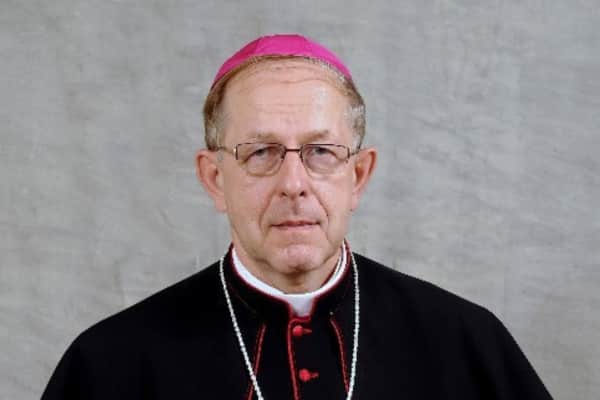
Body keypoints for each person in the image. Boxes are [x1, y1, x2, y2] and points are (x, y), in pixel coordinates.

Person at [41, 34, 553, 399]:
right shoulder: (112, 363)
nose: (293, 184)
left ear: (358, 176)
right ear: (215, 179)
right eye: (261, 152)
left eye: (321, 152)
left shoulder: (464, 342)